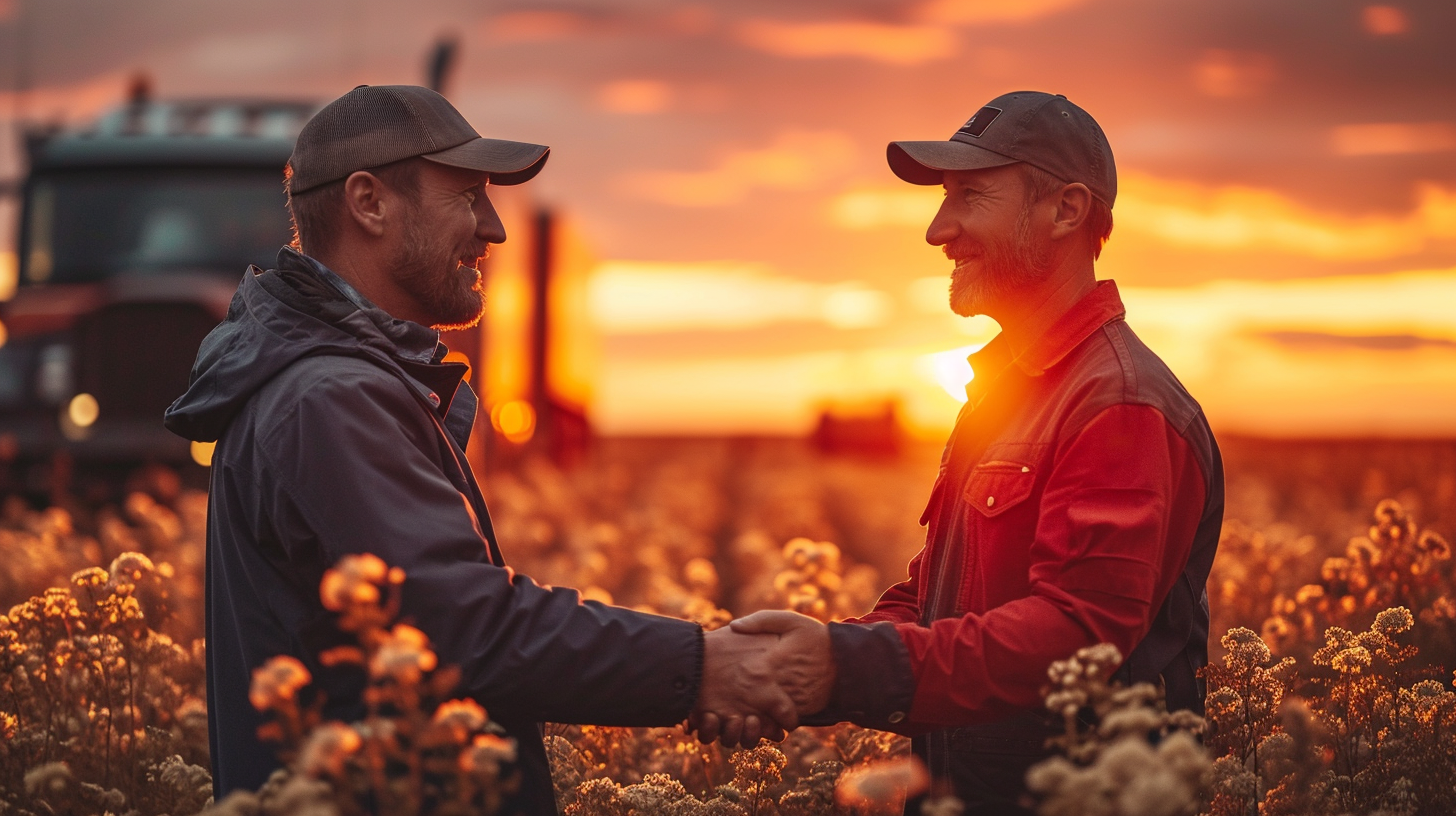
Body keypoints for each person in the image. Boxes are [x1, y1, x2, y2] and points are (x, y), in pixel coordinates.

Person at [163, 85, 801, 814]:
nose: (494, 229)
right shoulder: (330, 399)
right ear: (369, 203)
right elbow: (470, 629)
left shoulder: (340, 383)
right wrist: (703, 666)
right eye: (467, 196)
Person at [725, 91, 1224, 814]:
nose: (938, 230)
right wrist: (802, 660)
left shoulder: (1120, 403)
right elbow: (939, 600)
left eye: (970, 195)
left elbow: (1077, 635)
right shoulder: (1008, 389)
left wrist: (841, 667)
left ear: (1066, 210)